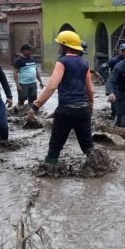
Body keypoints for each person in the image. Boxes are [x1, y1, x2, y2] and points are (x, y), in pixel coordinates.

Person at [27, 30, 95, 165]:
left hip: (66, 110)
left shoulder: (62, 62)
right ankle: (97, 167)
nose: (58, 48)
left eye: (59, 45)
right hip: (83, 110)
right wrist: (90, 105)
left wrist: (35, 106)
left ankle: (50, 177)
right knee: (87, 145)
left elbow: (51, 87)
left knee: (55, 145)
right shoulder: (84, 63)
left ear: (65, 46)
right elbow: (90, 90)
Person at [98, 43, 125, 119]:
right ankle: (113, 116)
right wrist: (107, 78)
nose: (124, 52)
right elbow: (101, 68)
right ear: (119, 51)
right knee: (114, 101)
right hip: (115, 83)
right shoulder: (114, 60)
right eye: (123, 51)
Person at [13, 44, 44, 109]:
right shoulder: (19, 60)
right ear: (23, 51)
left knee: (33, 100)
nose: (31, 51)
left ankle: (30, 113)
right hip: (23, 84)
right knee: (22, 99)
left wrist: (40, 81)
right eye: (29, 50)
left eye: (31, 50)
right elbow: (15, 73)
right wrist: (18, 85)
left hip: (33, 83)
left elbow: (36, 71)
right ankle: (18, 113)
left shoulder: (32, 59)